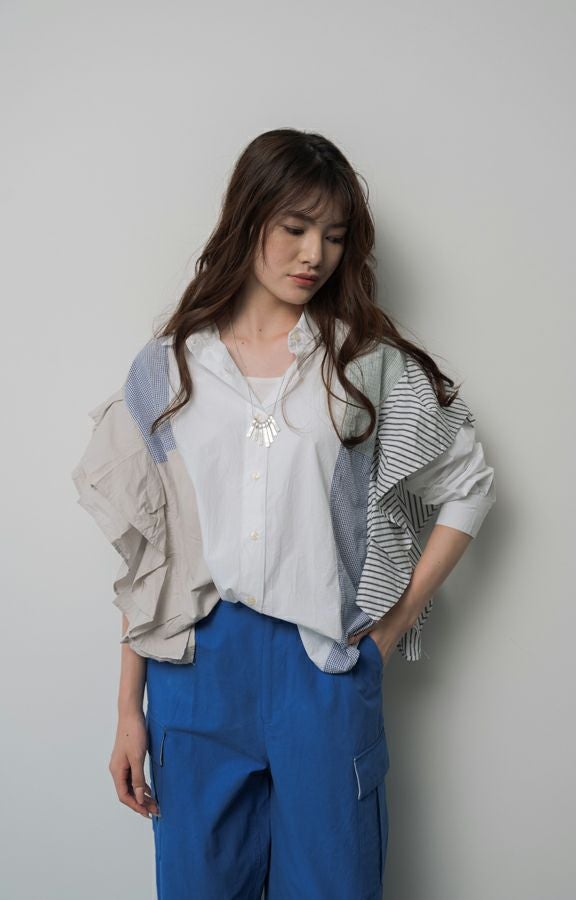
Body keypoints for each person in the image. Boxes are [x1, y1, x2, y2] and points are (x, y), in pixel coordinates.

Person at [72, 128, 496, 899]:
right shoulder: (170, 368)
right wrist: (128, 710)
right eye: (296, 228)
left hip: (322, 670)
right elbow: (149, 553)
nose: (315, 255)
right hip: (195, 673)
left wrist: (392, 628)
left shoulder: (364, 364)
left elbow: (470, 483)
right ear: (248, 219)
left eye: (334, 236)